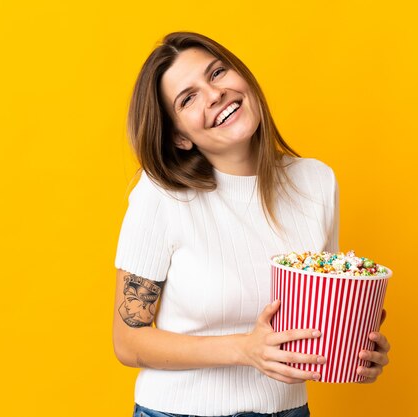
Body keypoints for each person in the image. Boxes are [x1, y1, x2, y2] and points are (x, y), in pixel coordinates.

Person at [113, 32, 391, 417]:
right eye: (188, 98)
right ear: (179, 137)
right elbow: (128, 342)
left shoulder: (316, 182)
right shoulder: (161, 195)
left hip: (287, 411)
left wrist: (354, 346)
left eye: (217, 72)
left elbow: (317, 312)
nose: (214, 94)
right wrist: (244, 349)